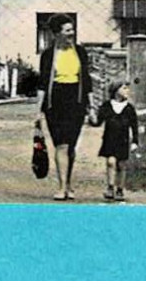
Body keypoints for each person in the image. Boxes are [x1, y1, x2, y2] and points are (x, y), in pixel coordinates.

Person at [35, 15, 91, 200]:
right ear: (56, 34)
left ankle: (68, 183)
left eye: (72, 29)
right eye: (67, 30)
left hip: (76, 101)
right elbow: (43, 83)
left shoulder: (81, 52)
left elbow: (87, 80)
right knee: (61, 144)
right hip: (55, 103)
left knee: (71, 146)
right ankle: (61, 187)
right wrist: (37, 111)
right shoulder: (48, 55)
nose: (71, 33)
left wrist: (91, 106)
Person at [95, 81, 140, 201]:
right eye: (124, 88)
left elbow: (134, 126)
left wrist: (135, 141)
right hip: (109, 139)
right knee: (111, 162)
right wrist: (92, 117)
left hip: (123, 140)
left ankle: (120, 189)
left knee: (121, 165)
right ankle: (110, 187)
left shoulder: (129, 108)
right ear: (116, 90)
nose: (127, 91)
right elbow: (98, 121)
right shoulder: (106, 106)